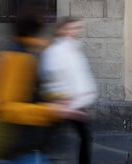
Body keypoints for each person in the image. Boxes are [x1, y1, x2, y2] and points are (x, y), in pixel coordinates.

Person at [0, 0, 85, 163]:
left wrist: (58, 97)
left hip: (32, 145)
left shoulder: (35, 50)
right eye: (44, 17)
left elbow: (37, 89)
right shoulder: (15, 55)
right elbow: (5, 108)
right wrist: (51, 110)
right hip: (12, 148)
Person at [40, 16, 98, 164]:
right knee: (51, 139)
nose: (76, 31)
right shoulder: (56, 51)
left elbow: (80, 76)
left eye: (77, 28)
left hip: (77, 104)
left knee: (84, 137)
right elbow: (52, 76)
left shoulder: (73, 48)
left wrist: (86, 97)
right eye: (73, 27)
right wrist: (62, 100)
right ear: (62, 29)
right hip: (64, 104)